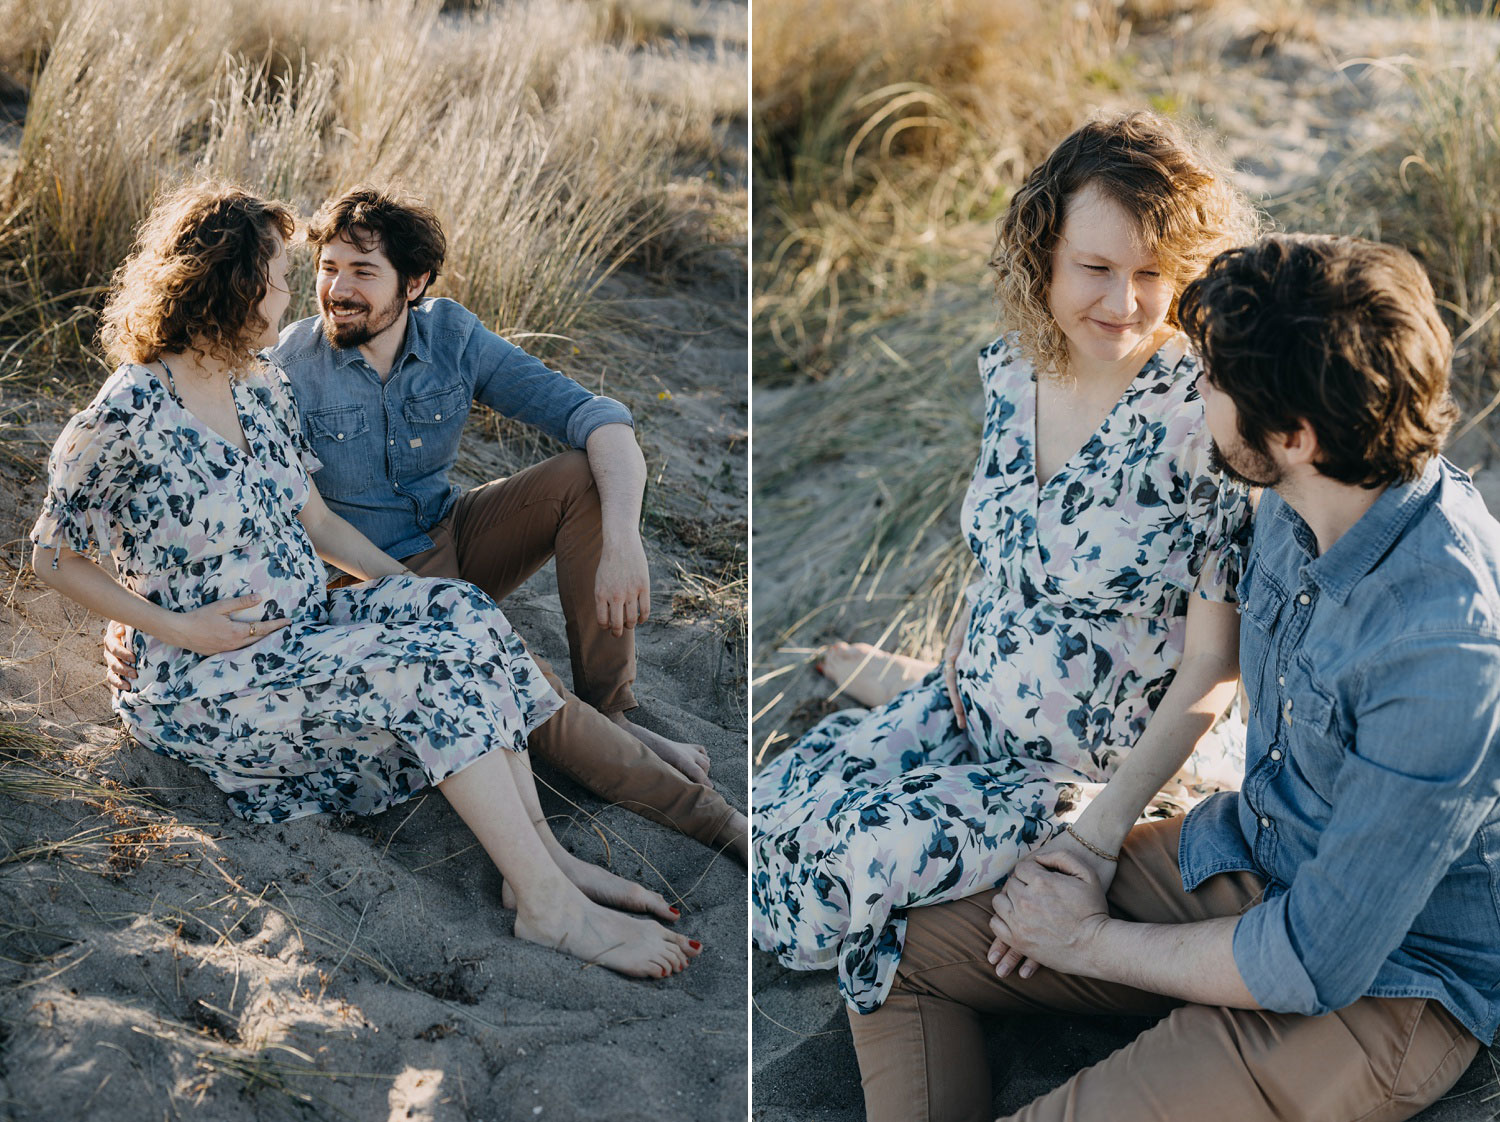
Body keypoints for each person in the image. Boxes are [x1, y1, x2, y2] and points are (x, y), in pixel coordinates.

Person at [848, 232, 1500, 1122]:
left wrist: (1089, 941)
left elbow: (1314, 958)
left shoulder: (1443, 659)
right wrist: (1091, 848)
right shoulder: (1307, 490)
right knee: (896, 940)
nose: (1196, 390)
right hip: (1260, 851)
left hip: (1386, 983)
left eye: (1214, 382)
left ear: (1295, 436)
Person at [32, 181, 702, 980]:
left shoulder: (258, 385)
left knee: (458, 615)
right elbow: (51, 556)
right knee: (420, 667)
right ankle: (549, 908)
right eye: (285, 275)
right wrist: (168, 626)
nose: (298, 292)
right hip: (216, 677)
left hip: (305, 630)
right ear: (237, 287)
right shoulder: (131, 407)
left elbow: (317, 521)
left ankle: (548, 864)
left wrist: (417, 594)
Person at [752, 112, 1261, 1013]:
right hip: (965, 710)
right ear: (1047, 256)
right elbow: (1004, 550)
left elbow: (1215, 665)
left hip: (1083, 781)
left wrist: (1101, 839)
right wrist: (962, 644)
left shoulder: (1205, 421)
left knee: (847, 860)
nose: (1124, 302)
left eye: (1153, 275)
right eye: (1095, 268)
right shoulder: (1013, 371)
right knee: (776, 805)